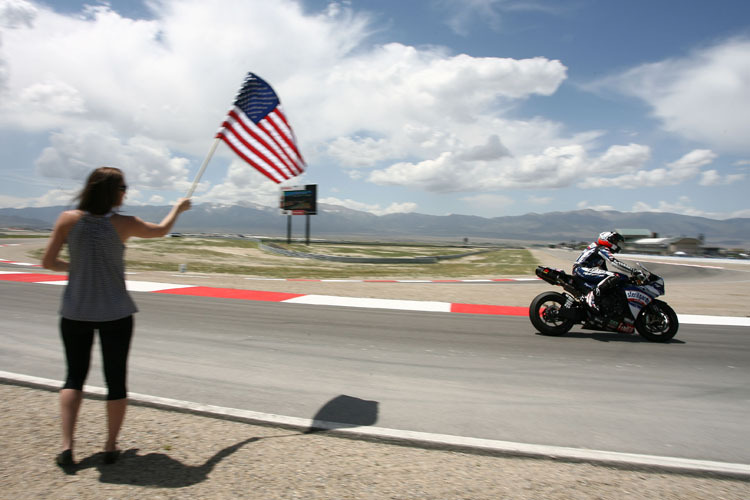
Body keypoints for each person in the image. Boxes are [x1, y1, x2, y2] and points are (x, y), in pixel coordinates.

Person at [42, 166, 191, 467]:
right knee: (116, 381)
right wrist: (177, 208)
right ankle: (110, 446)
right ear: (115, 192)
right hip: (116, 312)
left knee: (73, 377)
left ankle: (67, 447)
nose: (126, 193)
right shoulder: (125, 223)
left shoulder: (67, 220)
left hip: (75, 311)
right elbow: (161, 231)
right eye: (124, 188)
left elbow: (47, 261)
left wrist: (75, 269)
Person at [572, 231, 638, 313]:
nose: (617, 244)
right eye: (615, 241)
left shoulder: (598, 249)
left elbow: (604, 270)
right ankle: (592, 297)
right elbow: (614, 262)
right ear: (607, 240)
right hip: (581, 269)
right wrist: (633, 271)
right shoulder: (602, 248)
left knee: (611, 279)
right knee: (615, 276)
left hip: (581, 270)